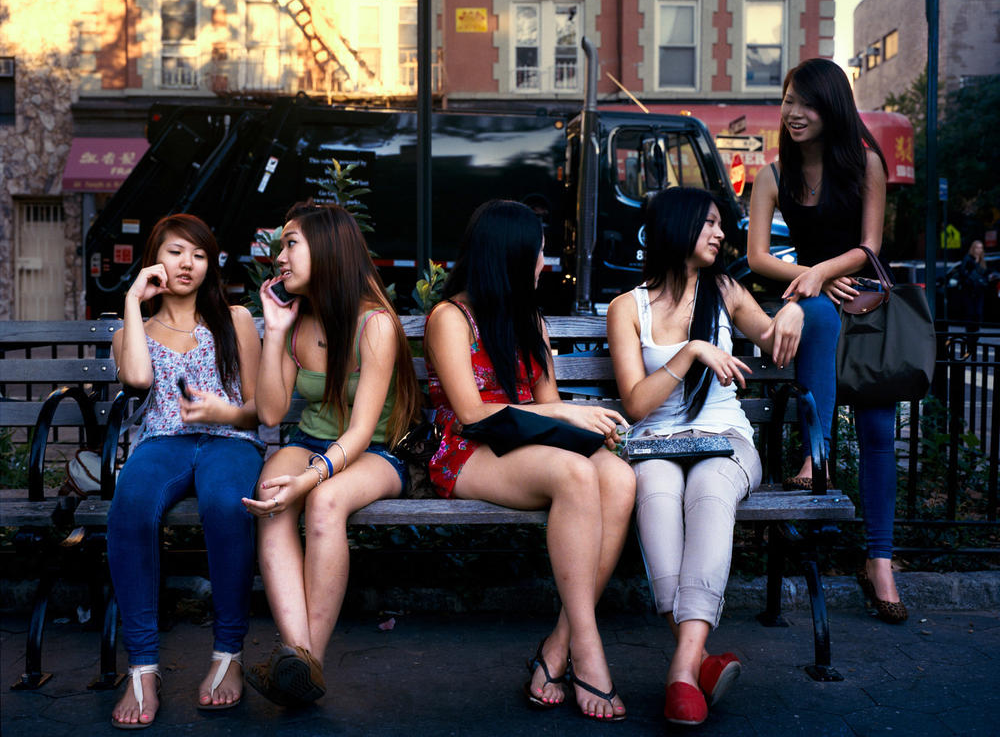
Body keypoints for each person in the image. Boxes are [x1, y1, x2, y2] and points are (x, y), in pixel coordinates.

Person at [423, 199, 636, 722]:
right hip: (467, 449)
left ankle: (557, 648)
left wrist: (576, 419)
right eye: (539, 254)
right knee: (575, 473)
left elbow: (544, 407)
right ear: (510, 257)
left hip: (524, 445)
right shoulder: (450, 317)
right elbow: (471, 413)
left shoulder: (527, 320)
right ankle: (589, 655)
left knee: (621, 479)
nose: (546, 264)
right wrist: (567, 412)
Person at [607, 187, 803, 726]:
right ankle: (698, 664)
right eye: (711, 223)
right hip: (658, 443)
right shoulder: (628, 308)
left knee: (710, 491)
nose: (721, 234)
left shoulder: (726, 291)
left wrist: (795, 315)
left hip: (726, 438)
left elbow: (772, 338)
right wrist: (692, 351)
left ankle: (680, 671)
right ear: (678, 226)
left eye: (722, 224)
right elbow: (636, 402)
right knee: (658, 494)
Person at [748, 57, 907, 624]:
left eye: (806, 103)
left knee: (878, 429)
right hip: (813, 304)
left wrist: (822, 271)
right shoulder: (772, 175)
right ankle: (815, 456)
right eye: (788, 100)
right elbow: (756, 256)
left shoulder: (865, 164)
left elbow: (870, 247)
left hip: (864, 308)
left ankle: (880, 562)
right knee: (813, 308)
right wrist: (811, 277)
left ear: (831, 107)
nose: (793, 112)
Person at [242, 202, 421, 707]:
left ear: (327, 249)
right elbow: (273, 415)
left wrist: (312, 479)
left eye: (291, 243)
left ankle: (303, 658)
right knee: (271, 495)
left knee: (323, 504)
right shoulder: (299, 322)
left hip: (375, 454)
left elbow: (363, 431)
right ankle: (301, 665)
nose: (280, 256)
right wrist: (274, 330)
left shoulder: (374, 326)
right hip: (309, 442)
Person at [108, 214, 265, 728]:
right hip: (163, 443)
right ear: (156, 257)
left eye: (199, 255)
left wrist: (224, 412)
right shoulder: (136, 328)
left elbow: (258, 410)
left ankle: (228, 655)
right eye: (176, 252)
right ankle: (143, 667)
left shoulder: (235, 319)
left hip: (230, 441)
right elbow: (135, 378)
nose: (188, 264)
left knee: (226, 504)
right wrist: (134, 300)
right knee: (130, 505)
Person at [957, 239, 989, 353]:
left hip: (979, 293)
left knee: (978, 315)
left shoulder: (982, 261)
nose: (979, 250)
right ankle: (970, 341)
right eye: (977, 247)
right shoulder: (968, 259)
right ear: (973, 248)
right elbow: (962, 274)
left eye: (980, 248)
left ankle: (974, 339)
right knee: (970, 316)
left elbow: (986, 275)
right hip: (969, 293)